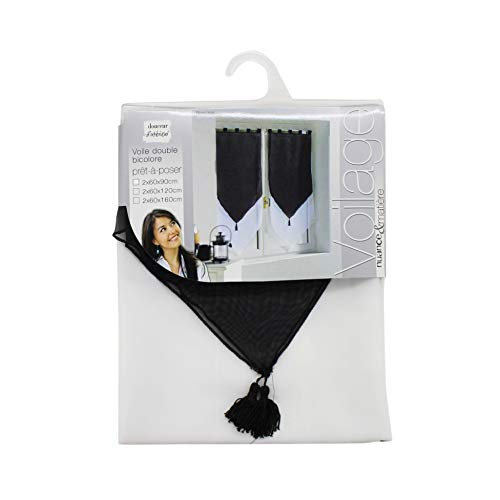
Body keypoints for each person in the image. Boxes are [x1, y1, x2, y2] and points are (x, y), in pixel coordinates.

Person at [142, 209, 210, 282]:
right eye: (163, 229)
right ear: (154, 240)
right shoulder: (150, 269)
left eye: (172, 223)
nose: (172, 230)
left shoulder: (197, 266)